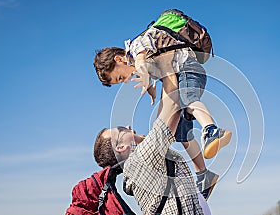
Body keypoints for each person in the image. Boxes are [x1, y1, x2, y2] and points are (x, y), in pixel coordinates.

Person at [93, 13, 232, 198]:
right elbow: (154, 70)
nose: (125, 80)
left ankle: (212, 130)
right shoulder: (140, 63)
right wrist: (150, 87)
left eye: (120, 77)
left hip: (188, 69)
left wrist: (143, 72)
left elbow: (142, 57)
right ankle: (203, 174)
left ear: (119, 59)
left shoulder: (136, 48)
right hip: (180, 73)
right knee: (181, 134)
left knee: (186, 98)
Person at [93, 69, 214, 215]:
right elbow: (172, 105)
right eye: (121, 130)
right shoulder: (141, 159)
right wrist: (167, 67)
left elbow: (166, 113)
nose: (128, 127)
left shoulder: (141, 161)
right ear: (120, 148)